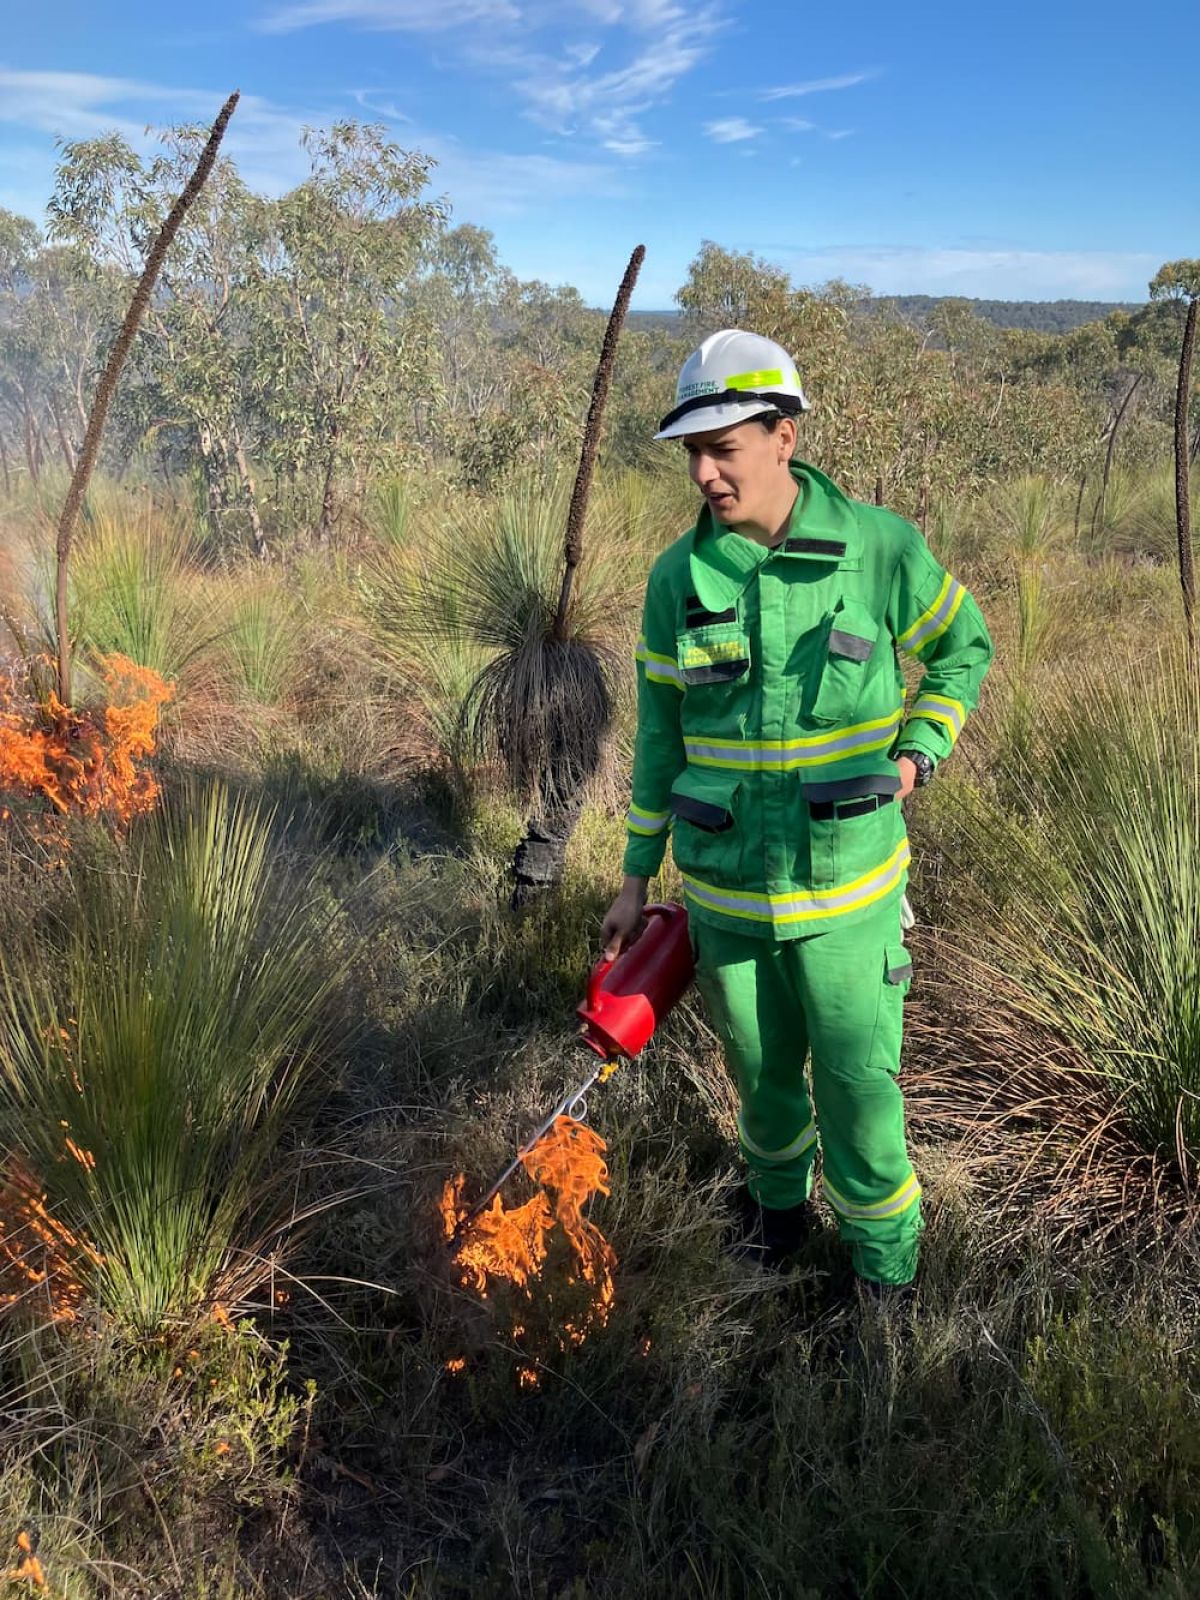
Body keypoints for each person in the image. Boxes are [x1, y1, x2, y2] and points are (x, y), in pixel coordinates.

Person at [600, 329, 993, 1296]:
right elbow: (660, 739)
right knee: (762, 1081)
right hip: (728, 892)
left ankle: (883, 1279)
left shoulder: (878, 548)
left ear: (782, 434)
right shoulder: (675, 584)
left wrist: (918, 752)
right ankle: (775, 1225)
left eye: (722, 447)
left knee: (861, 1091)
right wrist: (633, 875)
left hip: (849, 889)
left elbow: (963, 648)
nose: (702, 473)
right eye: (691, 452)